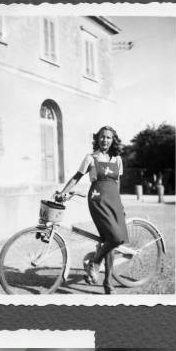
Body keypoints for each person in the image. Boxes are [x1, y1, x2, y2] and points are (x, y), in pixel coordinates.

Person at [57, 126, 128, 294]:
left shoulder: (117, 159)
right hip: (98, 201)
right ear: (97, 139)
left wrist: (121, 205)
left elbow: (117, 183)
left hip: (114, 202)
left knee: (111, 240)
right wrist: (63, 192)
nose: (105, 140)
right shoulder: (90, 158)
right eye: (102, 137)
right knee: (115, 237)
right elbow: (76, 177)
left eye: (109, 137)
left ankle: (107, 282)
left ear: (113, 140)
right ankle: (95, 263)